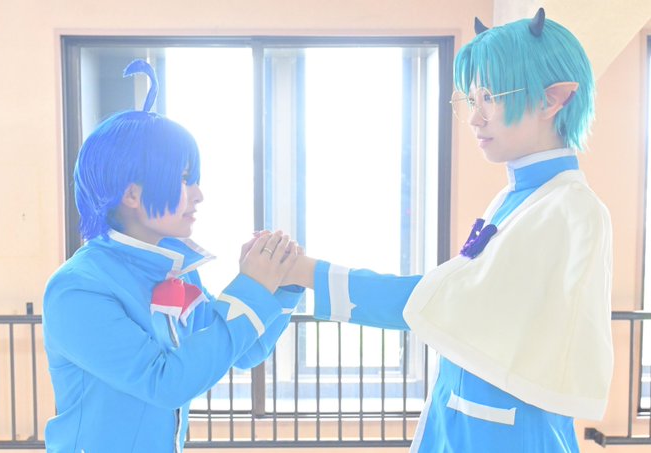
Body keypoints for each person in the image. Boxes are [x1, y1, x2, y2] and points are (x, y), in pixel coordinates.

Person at [283, 8, 613, 452]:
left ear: (552, 99)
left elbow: (444, 298)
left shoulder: (569, 209)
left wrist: (308, 272)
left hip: (508, 434)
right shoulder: (518, 197)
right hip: (466, 418)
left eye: (490, 97)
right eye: (471, 100)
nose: (476, 118)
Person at [42, 59, 302, 452]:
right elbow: (164, 383)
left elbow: (245, 351)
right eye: (183, 179)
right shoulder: (77, 289)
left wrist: (281, 286)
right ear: (132, 194)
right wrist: (250, 287)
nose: (198, 195)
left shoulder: (176, 273)